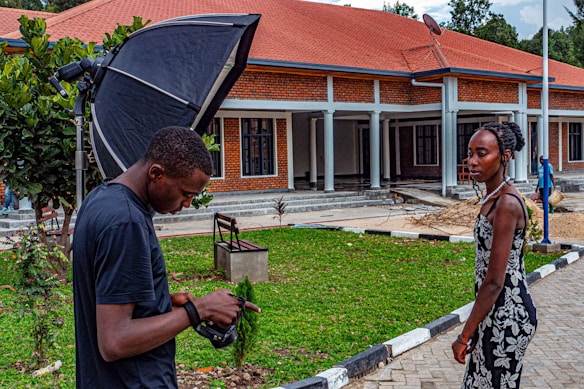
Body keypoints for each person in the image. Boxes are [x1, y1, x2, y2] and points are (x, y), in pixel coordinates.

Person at [73, 126, 260, 388]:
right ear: (156, 174)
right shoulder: (126, 222)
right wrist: (199, 310)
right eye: (186, 194)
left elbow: (107, 296)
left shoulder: (100, 200)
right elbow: (114, 341)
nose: (186, 204)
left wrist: (162, 302)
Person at [451, 122, 537, 388]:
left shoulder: (507, 204)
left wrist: (464, 336)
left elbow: (494, 281)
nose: (472, 161)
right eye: (470, 153)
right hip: (493, 311)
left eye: (481, 153)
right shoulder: (493, 198)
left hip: (507, 315)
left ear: (505, 156)